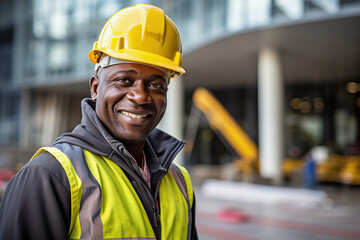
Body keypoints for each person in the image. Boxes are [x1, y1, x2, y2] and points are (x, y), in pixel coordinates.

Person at [0, 4, 197, 240]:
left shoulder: (180, 183)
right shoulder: (49, 176)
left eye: (156, 85)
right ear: (95, 88)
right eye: (124, 80)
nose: (140, 96)